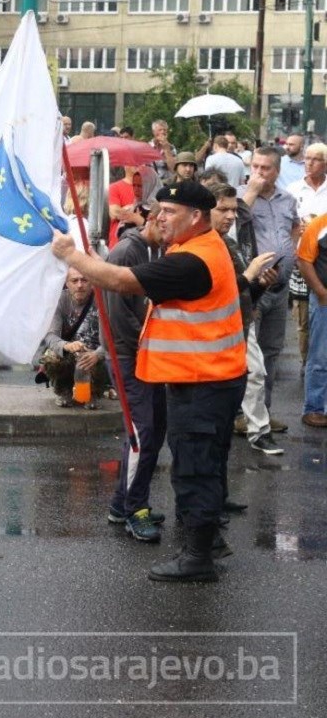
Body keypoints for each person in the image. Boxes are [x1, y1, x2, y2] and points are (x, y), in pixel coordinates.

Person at [52, 180, 246, 583]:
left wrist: (72, 255)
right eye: (157, 209)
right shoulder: (198, 247)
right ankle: (207, 544)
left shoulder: (193, 260)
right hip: (206, 379)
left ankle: (197, 558)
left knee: (194, 470)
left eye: (169, 211)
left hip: (202, 383)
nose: (158, 217)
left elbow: (121, 280)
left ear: (196, 217)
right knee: (202, 464)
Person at [103, 199, 167, 542]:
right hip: (130, 357)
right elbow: (118, 318)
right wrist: (142, 349)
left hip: (151, 356)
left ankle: (122, 502)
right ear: (154, 220)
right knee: (141, 434)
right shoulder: (127, 252)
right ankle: (134, 510)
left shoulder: (159, 250)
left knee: (154, 430)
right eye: (166, 219)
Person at [208, 185, 280, 464]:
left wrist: (260, 283)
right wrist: (249, 278)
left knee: (255, 373)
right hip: (217, 327)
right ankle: (251, 430)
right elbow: (216, 291)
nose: (230, 217)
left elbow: (242, 290)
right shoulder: (203, 245)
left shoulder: (230, 243)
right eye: (222, 209)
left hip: (240, 320)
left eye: (234, 211)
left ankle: (257, 430)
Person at [238, 146, 298, 427]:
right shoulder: (241, 197)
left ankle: (264, 413)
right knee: (249, 357)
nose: (259, 173)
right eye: (255, 167)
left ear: (277, 171)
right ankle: (242, 415)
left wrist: (292, 251)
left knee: (271, 351)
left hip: (280, 288)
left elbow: (293, 227)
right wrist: (250, 191)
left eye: (265, 168)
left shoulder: (287, 199)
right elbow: (233, 227)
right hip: (254, 289)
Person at [34, 267, 109, 408]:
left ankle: (94, 393)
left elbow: (113, 339)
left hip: (94, 355)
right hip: (69, 353)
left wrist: (97, 354)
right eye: (74, 281)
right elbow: (50, 336)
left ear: (92, 282)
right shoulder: (60, 300)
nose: (80, 285)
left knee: (103, 358)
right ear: (67, 283)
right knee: (51, 356)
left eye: (84, 280)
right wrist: (66, 346)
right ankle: (64, 391)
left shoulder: (103, 301)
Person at [285, 142, 327, 366]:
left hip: (324, 261)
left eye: (315, 159)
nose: (309, 163)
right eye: (307, 159)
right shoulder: (293, 189)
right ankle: (307, 360)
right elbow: (285, 224)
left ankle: (320, 360)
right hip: (301, 260)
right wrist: (297, 229)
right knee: (303, 318)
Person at [296, 202, 327, 428]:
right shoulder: (319, 224)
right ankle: (314, 408)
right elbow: (304, 260)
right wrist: (320, 291)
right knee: (320, 356)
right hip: (325, 299)